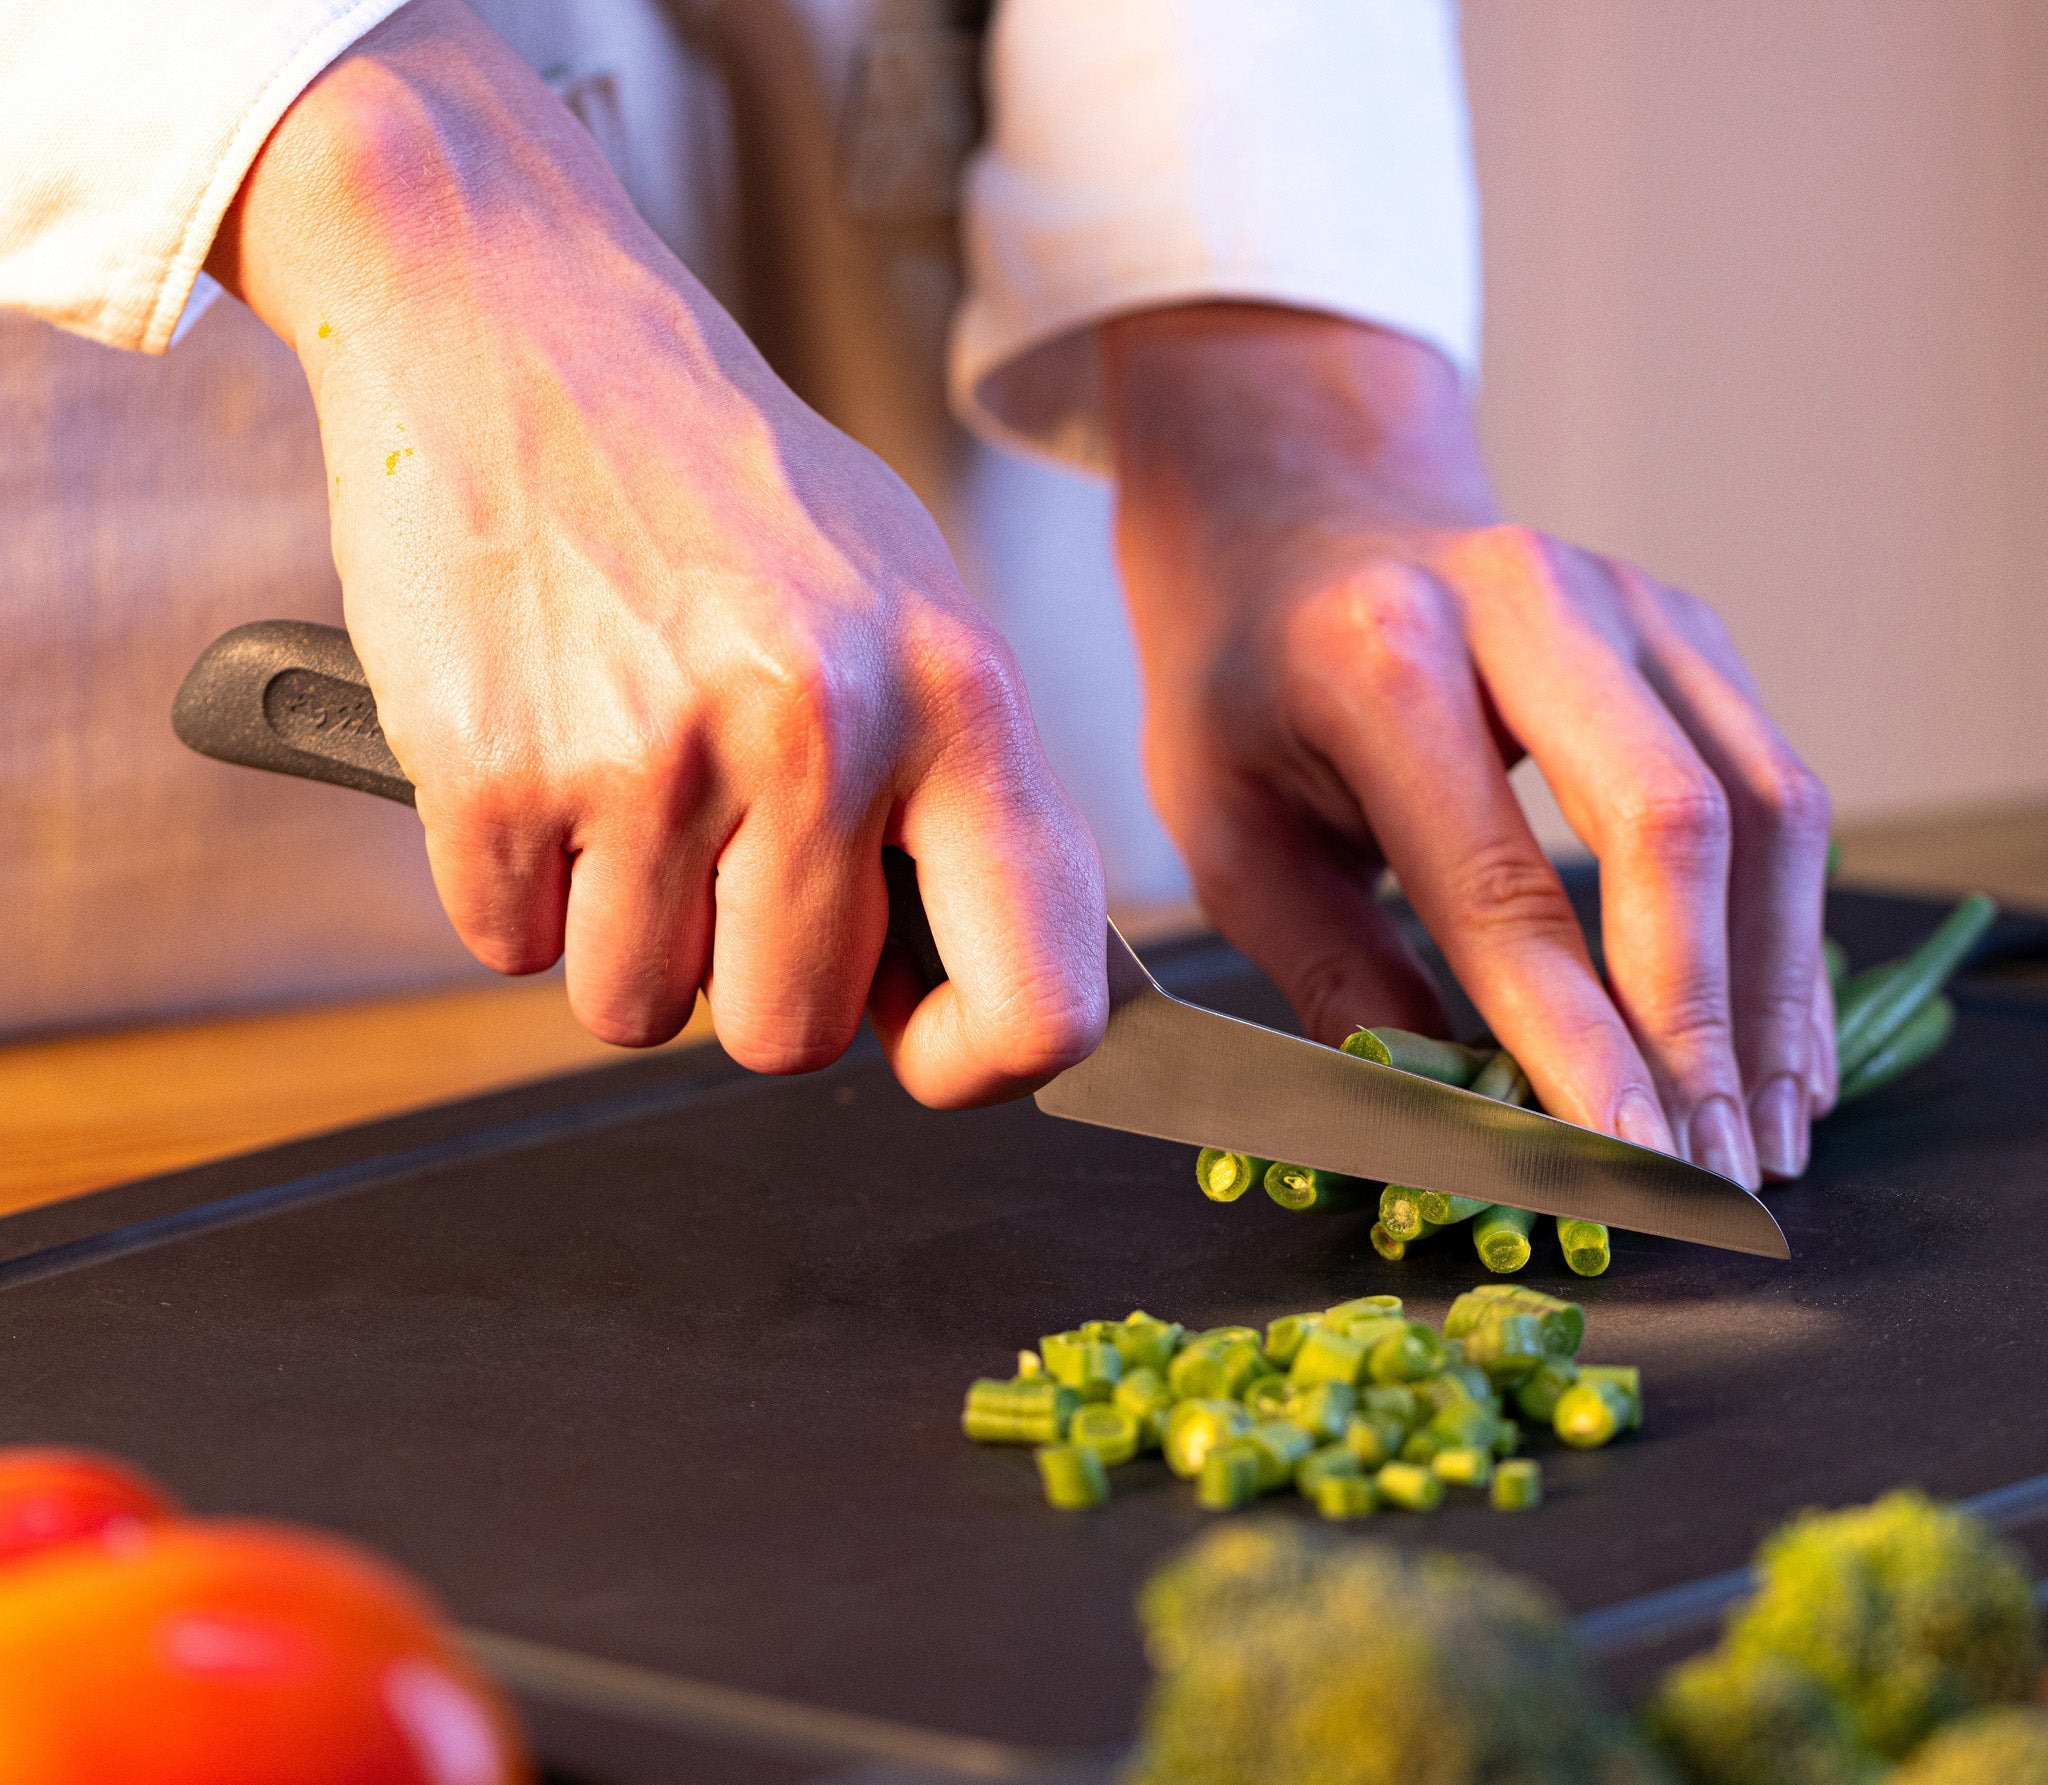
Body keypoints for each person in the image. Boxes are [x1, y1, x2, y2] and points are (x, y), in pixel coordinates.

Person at [0, 0, 1831, 1184]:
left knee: (1008, 938)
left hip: (877, 301)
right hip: (135, 504)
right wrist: (390, 158)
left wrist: (1282, 376)